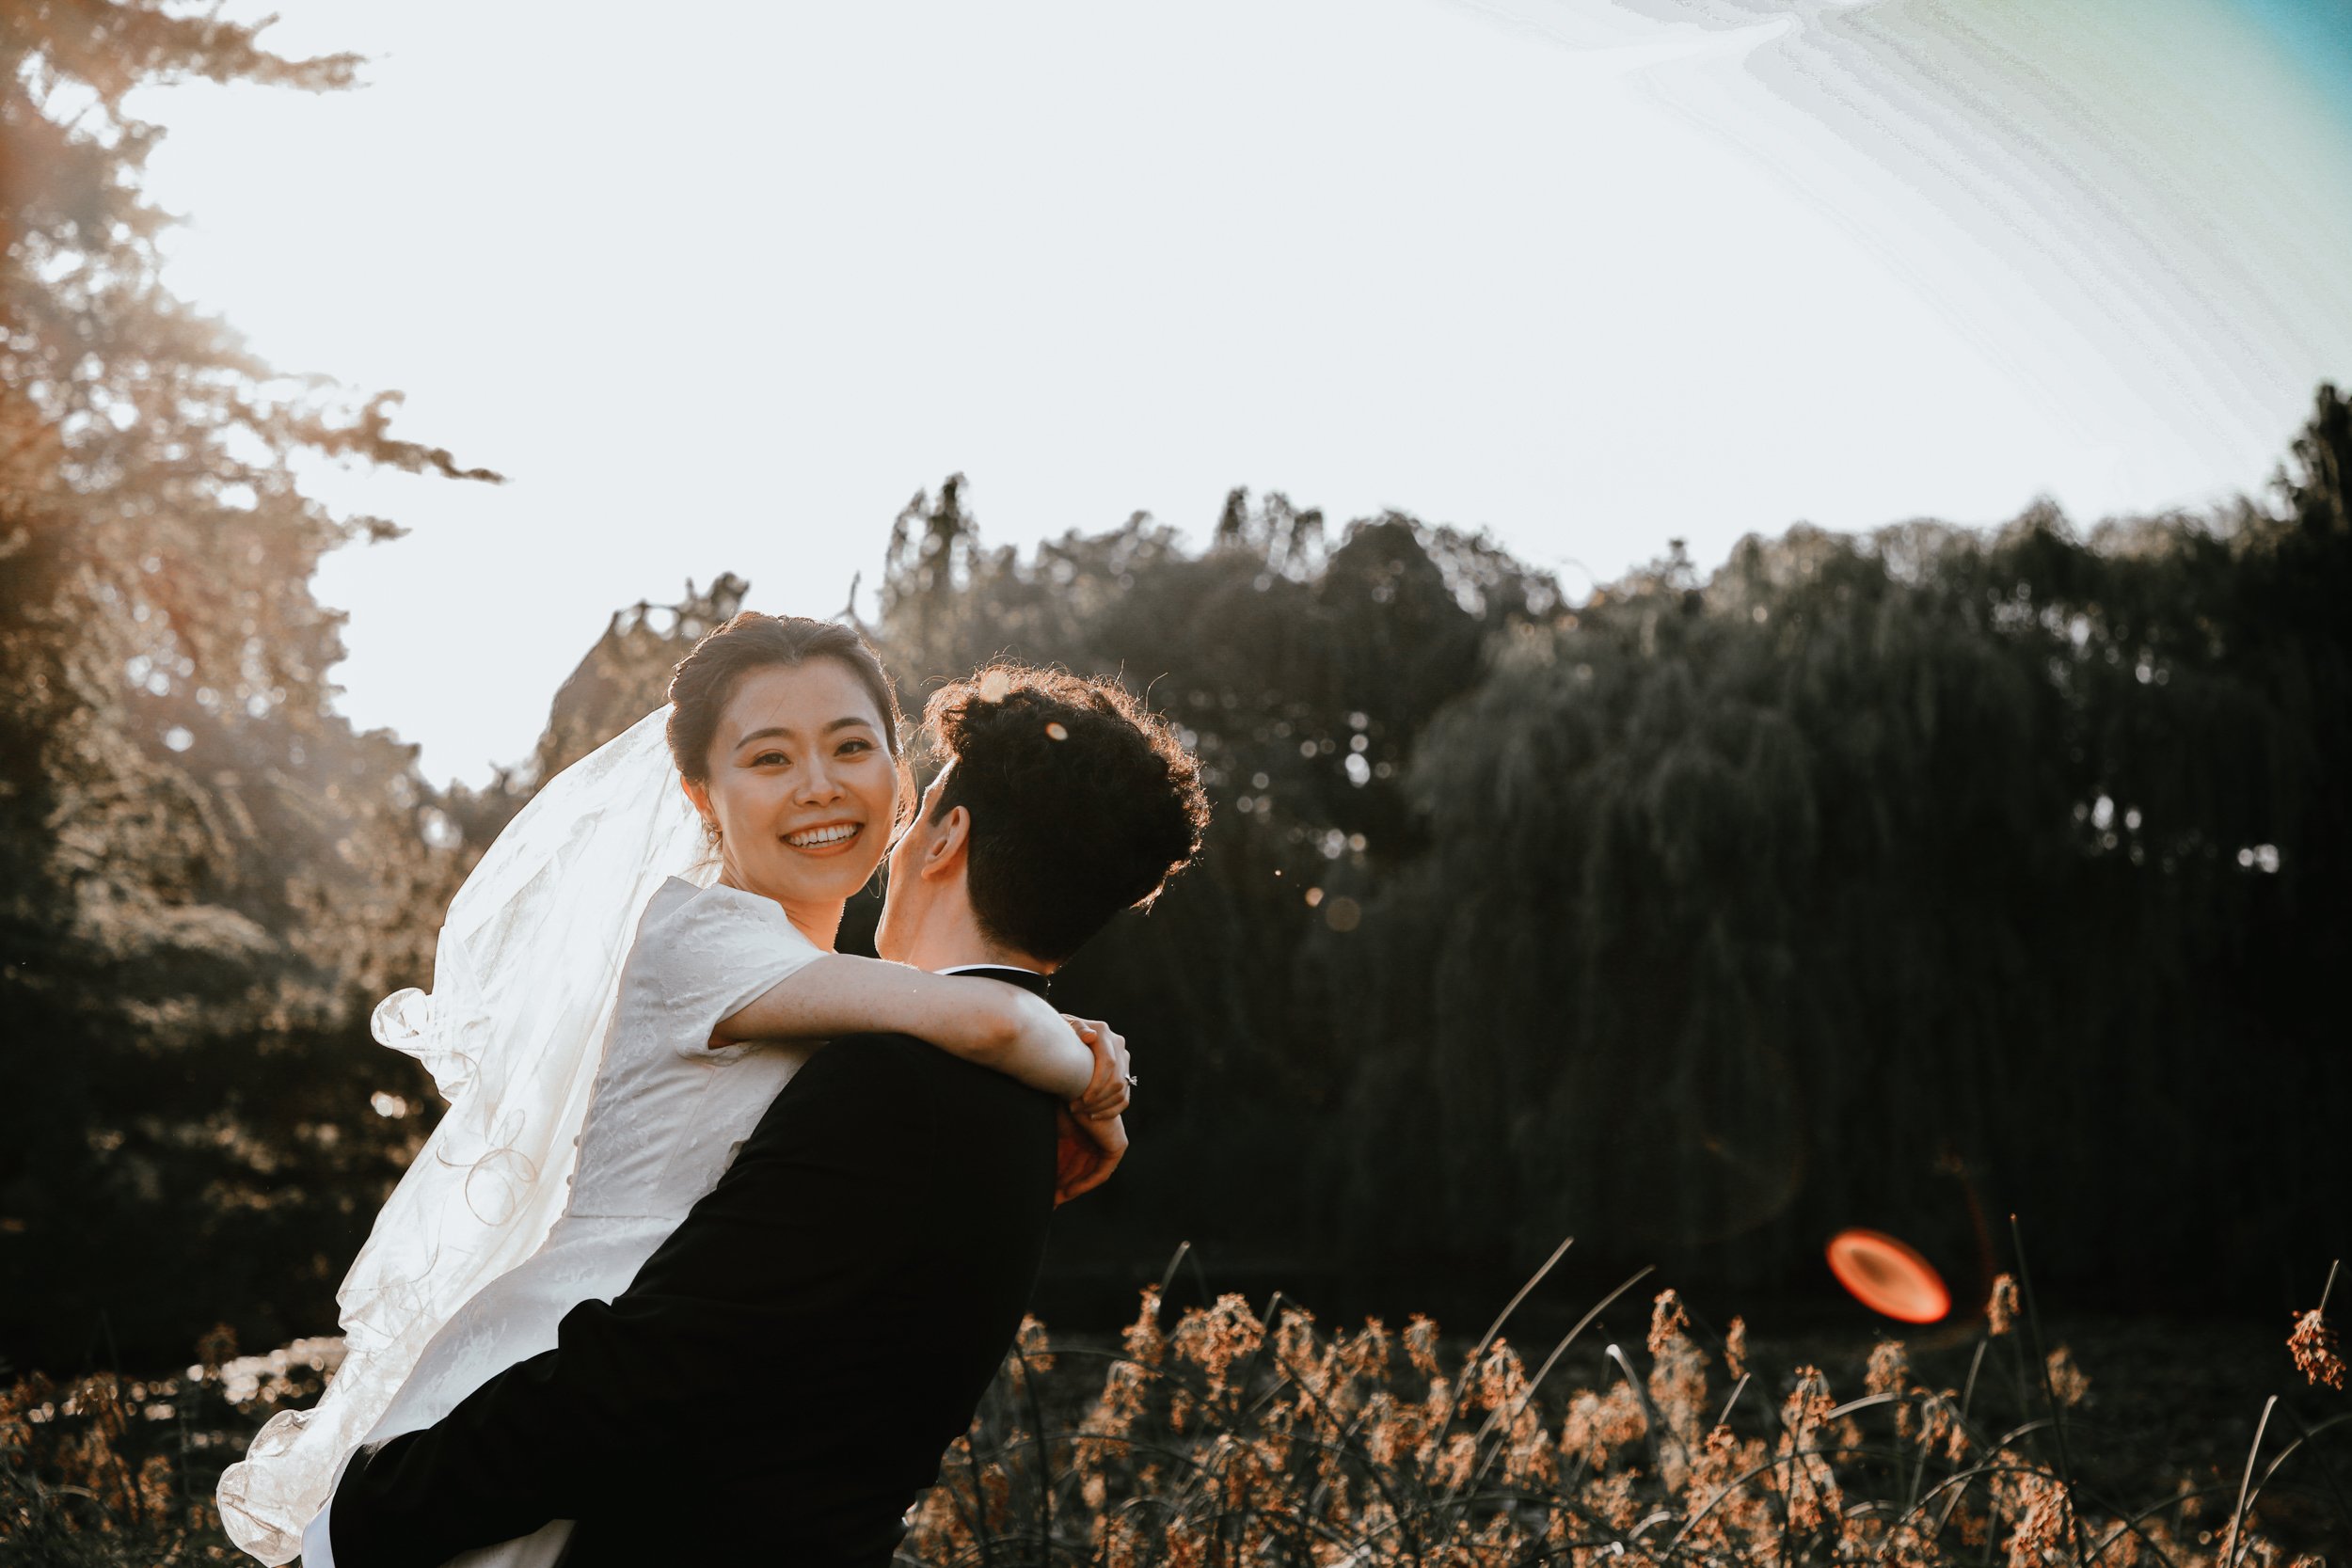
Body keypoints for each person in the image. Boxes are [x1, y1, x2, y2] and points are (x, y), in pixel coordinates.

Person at [214, 617, 1184, 1564]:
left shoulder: (881, 1032)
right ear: (700, 795)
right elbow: (996, 1017)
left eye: (853, 746)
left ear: (910, 801)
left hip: (583, 1437)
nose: (818, 785)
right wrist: (1095, 1077)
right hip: (533, 1392)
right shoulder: (708, 940)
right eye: (767, 758)